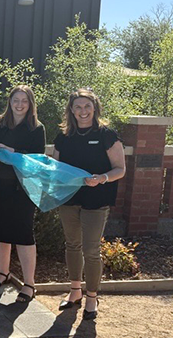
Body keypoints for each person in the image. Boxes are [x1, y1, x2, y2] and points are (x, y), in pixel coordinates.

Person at [53, 88, 125, 320]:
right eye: (78, 107)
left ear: (94, 108)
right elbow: (55, 166)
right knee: (72, 244)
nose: (83, 111)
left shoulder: (106, 134)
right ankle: (75, 292)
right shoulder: (63, 137)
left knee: (91, 250)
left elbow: (120, 169)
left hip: (96, 200)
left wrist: (102, 178)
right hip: (70, 199)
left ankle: (92, 297)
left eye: (87, 106)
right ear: (71, 111)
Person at [0, 85, 46, 302]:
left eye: (24, 101)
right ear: (10, 101)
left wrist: (12, 153)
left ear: (30, 104)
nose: (20, 105)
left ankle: (29, 284)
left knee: (23, 234)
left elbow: (37, 159)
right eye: (16, 100)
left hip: (21, 190)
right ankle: (3, 273)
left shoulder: (36, 128)